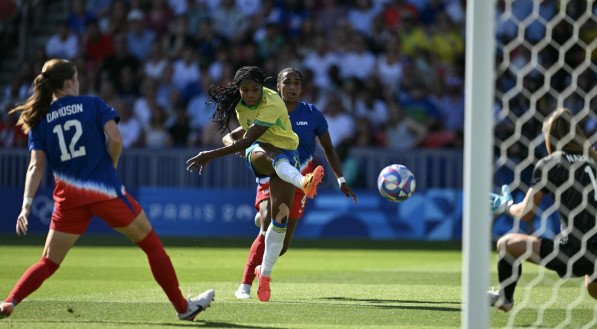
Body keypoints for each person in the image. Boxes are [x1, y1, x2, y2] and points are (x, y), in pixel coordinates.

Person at [0, 59, 214, 321]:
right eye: (76, 78)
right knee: (152, 246)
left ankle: (10, 301)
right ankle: (183, 308)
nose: (78, 83)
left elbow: (36, 166)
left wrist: (26, 206)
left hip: (68, 200)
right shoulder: (92, 104)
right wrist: (110, 167)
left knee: (48, 263)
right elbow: (115, 138)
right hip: (105, 191)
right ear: (68, 82)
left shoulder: (39, 118)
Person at [186, 66, 325, 302]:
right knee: (264, 154)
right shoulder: (241, 105)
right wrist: (228, 141)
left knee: (280, 217)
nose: (250, 94)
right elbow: (245, 137)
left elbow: (248, 137)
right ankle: (303, 181)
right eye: (245, 90)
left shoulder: (272, 104)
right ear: (238, 89)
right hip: (261, 156)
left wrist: (212, 154)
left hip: (287, 157)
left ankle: (265, 275)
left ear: (263, 88)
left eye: (254, 90)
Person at [231, 68, 358, 300]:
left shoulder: (312, 114)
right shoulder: (268, 108)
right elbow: (238, 134)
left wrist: (341, 179)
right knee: (267, 224)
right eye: (286, 82)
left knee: (281, 246)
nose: (291, 87)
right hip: (271, 172)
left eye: (296, 83)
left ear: (301, 88)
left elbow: (329, 148)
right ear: (277, 87)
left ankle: (263, 264)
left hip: (300, 180)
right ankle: (245, 286)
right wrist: (233, 145)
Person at [489, 108, 597, 312]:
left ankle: (505, 299)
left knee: (507, 243)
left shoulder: (552, 163)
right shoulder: (594, 160)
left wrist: (507, 206)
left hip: (574, 252)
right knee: (592, 286)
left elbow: (526, 213)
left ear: (550, 138)